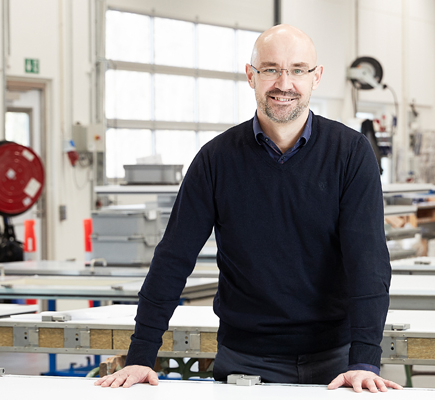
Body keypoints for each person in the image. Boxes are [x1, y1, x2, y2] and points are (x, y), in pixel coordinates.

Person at [95, 24, 400, 393]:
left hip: (335, 361)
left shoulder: (350, 153)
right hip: (246, 360)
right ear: (250, 76)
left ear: (316, 77)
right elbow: (173, 258)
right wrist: (142, 355)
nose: (283, 83)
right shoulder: (216, 159)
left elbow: (367, 261)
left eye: (298, 70)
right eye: (270, 69)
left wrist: (365, 359)